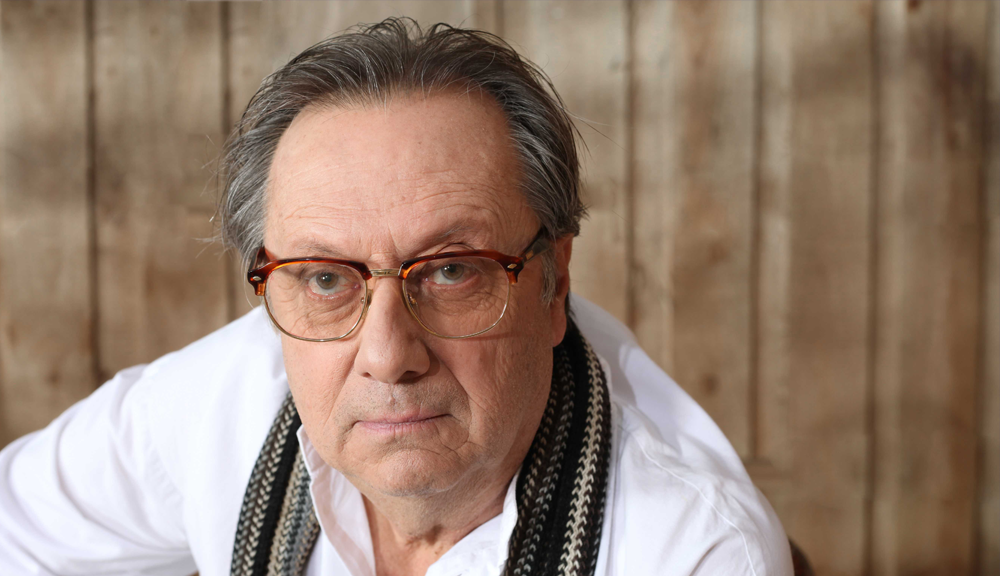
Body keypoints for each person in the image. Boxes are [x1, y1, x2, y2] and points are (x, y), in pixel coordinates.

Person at [0, 18, 793, 576]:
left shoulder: (690, 550)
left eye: (451, 271)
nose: (386, 355)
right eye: (325, 278)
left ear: (553, 283)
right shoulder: (221, 398)